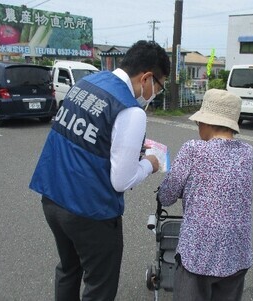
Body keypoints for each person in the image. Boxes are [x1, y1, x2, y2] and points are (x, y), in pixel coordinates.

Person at [29, 40, 170, 301]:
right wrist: (150, 163)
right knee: (99, 286)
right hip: (90, 212)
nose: (156, 93)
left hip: (52, 197)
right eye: (159, 86)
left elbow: (88, 138)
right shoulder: (131, 111)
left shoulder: (87, 84)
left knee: (69, 269)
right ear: (147, 77)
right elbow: (121, 180)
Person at [158, 89, 253, 301]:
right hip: (237, 253)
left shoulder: (193, 149)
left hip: (199, 253)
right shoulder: (247, 153)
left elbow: (167, 195)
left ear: (208, 123)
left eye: (199, 122)